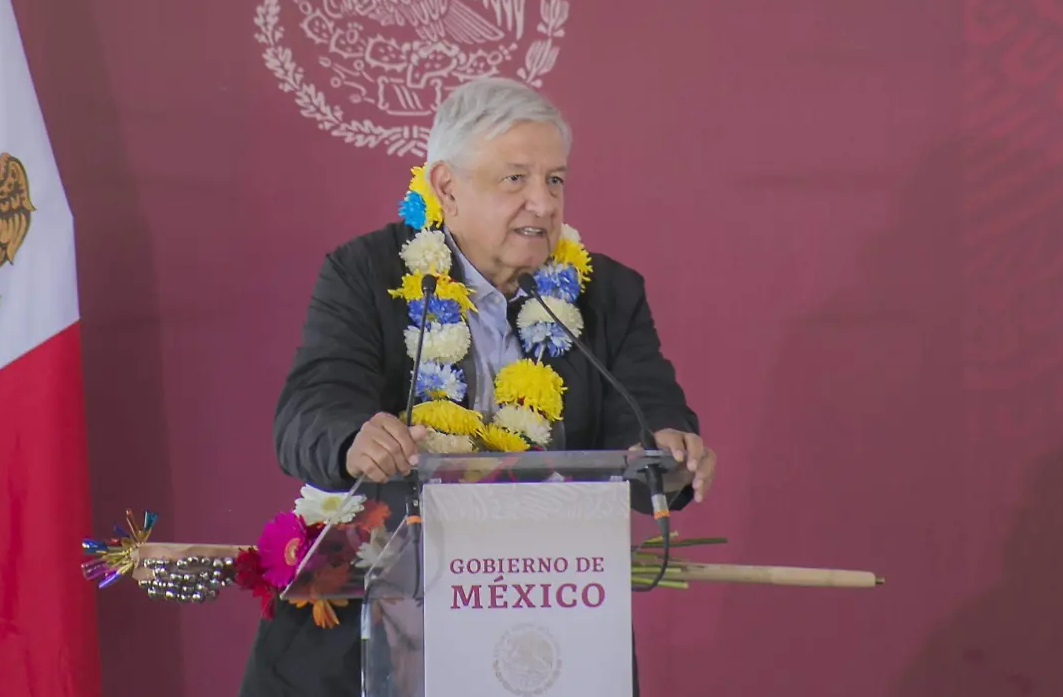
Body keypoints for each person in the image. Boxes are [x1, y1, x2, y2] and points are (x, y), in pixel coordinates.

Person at [239, 77, 713, 697]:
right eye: (515, 179)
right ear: (446, 188)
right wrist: (354, 437)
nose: (543, 204)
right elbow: (310, 408)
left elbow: (647, 415)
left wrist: (670, 454)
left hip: (544, 622)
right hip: (379, 621)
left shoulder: (608, 295)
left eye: (556, 180)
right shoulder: (366, 273)